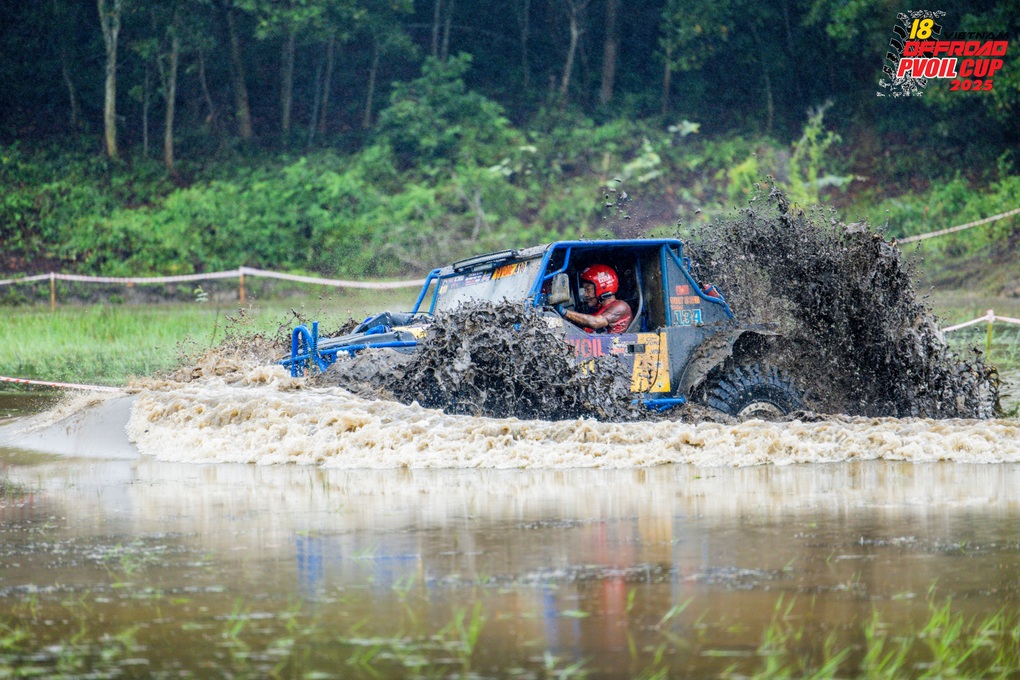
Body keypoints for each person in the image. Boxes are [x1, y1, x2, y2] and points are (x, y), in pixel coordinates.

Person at [562, 264, 633, 334]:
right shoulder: (598, 312)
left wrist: (564, 312)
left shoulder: (620, 306)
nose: (585, 294)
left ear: (602, 287)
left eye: (588, 289)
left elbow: (596, 322)